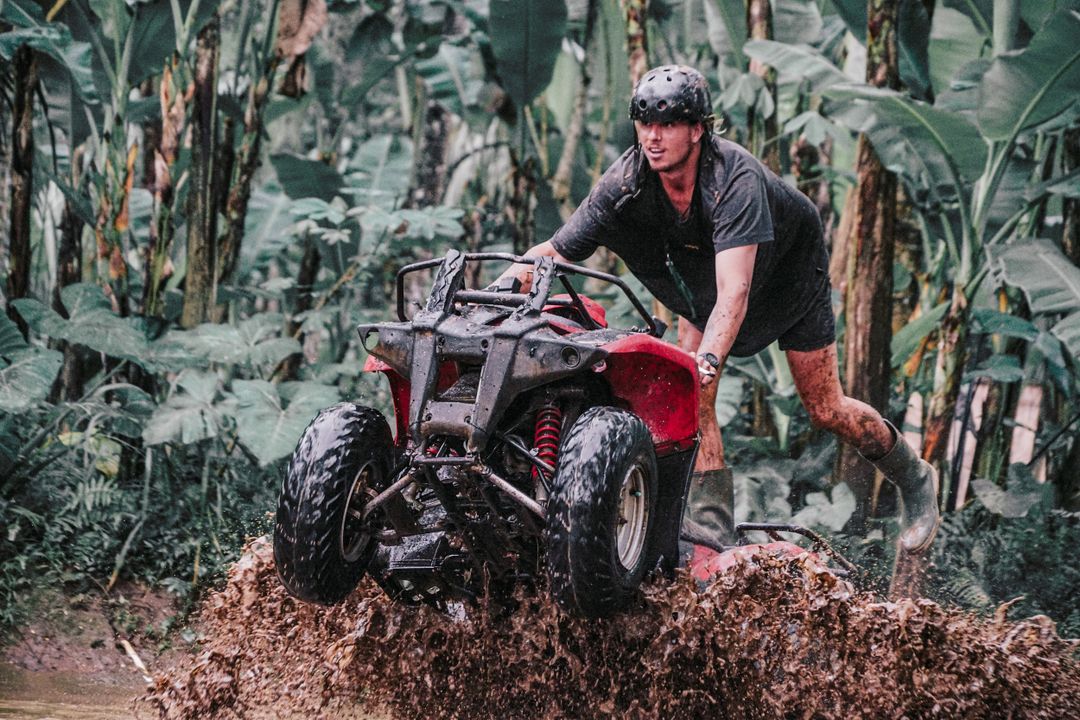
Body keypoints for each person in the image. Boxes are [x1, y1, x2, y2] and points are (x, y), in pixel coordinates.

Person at [496, 65, 939, 556]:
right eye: (645, 124)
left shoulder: (734, 180)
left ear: (698, 129)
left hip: (782, 277)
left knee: (826, 409)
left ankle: (914, 476)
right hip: (708, 277)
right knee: (694, 397)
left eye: (668, 125)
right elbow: (554, 253)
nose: (654, 137)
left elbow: (735, 292)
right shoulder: (624, 182)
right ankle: (712, 531)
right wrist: (500, 283)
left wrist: (705, 362)